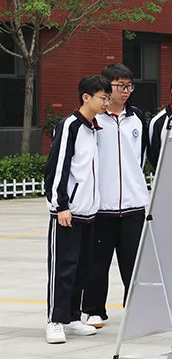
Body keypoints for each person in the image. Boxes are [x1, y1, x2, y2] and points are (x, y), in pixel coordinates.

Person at [80, 64, 149, 330]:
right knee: (98, 262)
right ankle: (93, 310)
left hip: (133, 203)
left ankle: (135, 309)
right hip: (101, 205)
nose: (126, 91)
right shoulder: (95, 119)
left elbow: (141, 156)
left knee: (133, 262)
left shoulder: (137, 117)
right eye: (121, 86)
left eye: (129, 86)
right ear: (107, 87)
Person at [44, 76, 111, 344]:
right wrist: (60, 205)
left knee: (82, 268)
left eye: (108, 98)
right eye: (103, 98)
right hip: (68, 213)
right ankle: (55, 320)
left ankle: (72, 317)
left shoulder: (94, 129)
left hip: (89, 212)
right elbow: (57, 168)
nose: (106, 103)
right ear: (86, 97)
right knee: (63, 268)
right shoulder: (70, 126)